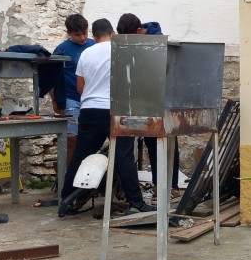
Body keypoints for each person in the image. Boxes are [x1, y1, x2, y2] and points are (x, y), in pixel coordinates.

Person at [60, 18, 153, 215]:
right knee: (123, 156)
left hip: (90, 110)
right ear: (113, 33)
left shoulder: (86, 53)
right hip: (117, 110)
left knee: (81, 154)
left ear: (94, 36)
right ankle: (136, 203)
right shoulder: (122, 50)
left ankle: (67, 200)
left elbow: (80, 88)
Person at [116, 14, 181, 197]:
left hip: (161, 100)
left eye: (131, 38)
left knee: (166, 143)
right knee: (152, 144)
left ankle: (171, 186)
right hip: (142, 100)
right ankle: (159, 185)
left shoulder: (159, 43)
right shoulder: (138, 40)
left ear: (139, 30)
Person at [52, 14, 94, 138]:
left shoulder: (94, 45)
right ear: (69, 33)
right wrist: (55, 101)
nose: (82, 38)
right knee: (71, 137)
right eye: (78, 35)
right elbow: (53, 78)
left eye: (85, 33)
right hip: (71, 99)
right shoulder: (61, 50)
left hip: (92, 98)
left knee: (90, 137)